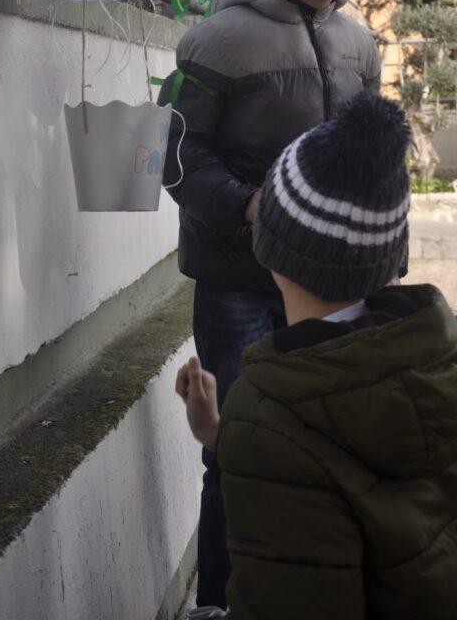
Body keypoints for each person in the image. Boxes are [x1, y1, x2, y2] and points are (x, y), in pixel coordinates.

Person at [157, 0, 381, 608]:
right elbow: (174, 157)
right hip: (237, 282)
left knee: (328, 442)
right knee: (238, 445)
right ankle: (220, 599)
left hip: (328, 285)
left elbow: (366, 150)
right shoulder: (215, 39)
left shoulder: (359, 41)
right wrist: (254, 205)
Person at [176, 89, 457, 619]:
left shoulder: (275, 405)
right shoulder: (434, 356)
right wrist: (223, 434)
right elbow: (340, 470)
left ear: (270, 243)